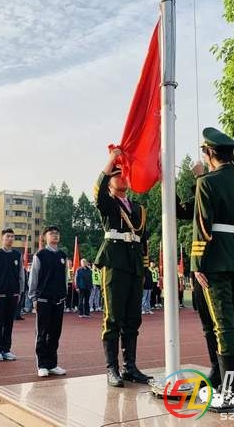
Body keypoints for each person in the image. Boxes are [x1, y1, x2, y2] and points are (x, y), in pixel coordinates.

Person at [191, 127, 234, 413]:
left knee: (224, 327)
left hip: (216, 260)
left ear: (209, 153)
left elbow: (202, 225)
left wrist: (197, 263)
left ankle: (231, 395)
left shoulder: (206, 182)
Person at [94, 148, 151, 387]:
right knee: (113, 318)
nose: (123, 177)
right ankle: (112, 368)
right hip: (114, 263)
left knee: (132, 318)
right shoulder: (108, 203)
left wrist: (145, 270)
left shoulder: (138, 209)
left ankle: (130, 367)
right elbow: (97, 193)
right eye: (117, 175)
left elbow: (143, 241)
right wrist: (110, 162)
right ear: (110, 181)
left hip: (134, 265)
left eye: (124, 174)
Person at [28, 225, 68, 377]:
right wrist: (33, 297)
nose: (55, 235)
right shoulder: (40, 255)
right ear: (45, 237)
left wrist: (64, 294)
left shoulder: (62, 255)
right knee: (42, 333)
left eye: (57, 233)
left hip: (59, 300)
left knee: (55, 333)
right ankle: (42, 364)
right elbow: (33, 277)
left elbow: (65, 277)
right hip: (43, 299)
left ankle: (52, 364)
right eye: (51, 233)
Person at [0, 228, 25, 362]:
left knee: (9, 322)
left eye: (12, 236)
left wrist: (20, 291)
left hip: (13, 293)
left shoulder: (17, 255)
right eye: (7, 236)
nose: (10, 239)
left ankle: (6, 349)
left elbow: (21, 274)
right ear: (2, 238)